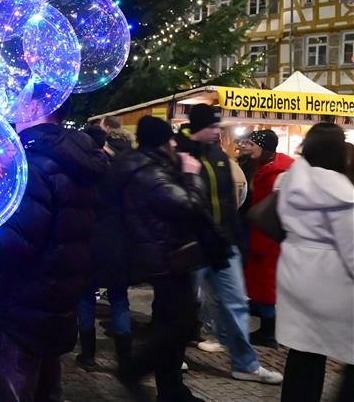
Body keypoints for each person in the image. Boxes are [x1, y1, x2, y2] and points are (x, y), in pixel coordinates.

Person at [0, 94, 109, 400]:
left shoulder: (31, 165)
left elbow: (9, 247)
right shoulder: (79, 160)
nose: (12, 106)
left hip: (20, 307)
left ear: (36, 107)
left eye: (20, 99)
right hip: (57, 303)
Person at [115, 116, 220, 402]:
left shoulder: (142, 164)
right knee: (181, 325)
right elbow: (188, 206)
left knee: (169, 324)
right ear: (163, 142)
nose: (175, 143)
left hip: (166, 255)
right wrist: (191, 175)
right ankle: (134, 370)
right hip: (165, 258)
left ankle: (172, 390)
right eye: (171, 139)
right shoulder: (149, 172)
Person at [176, 104, 283, 385]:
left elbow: (227, 202)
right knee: (183, 305)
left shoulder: (217, 155)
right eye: (211, 127)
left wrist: (236, 239)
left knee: (236, 303)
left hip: (223, 244)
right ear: (198, 127)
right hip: (193, 244)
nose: (216, 132)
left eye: (217, 127)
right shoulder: (180, 153)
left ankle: (245, 364)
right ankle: (171, 358)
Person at [275, 123, 354, 402]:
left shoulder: (293, 180)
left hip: (295, 272)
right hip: (330, 281)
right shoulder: (340, 194)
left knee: (304, 352)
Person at [77, 124, 132, 372]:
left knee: (86, 297)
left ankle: (88, 355)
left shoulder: (92, 169)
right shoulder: (127, 171)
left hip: (91, 239)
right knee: (119, 299)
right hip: (119, 241)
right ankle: (125, 358)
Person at [239, 130, 293, 348]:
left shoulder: (277, 174)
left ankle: (269, 333)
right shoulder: (264, 169)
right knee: (263, 287)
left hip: (269, 239)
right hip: (262, 235)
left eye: (251, 143)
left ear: (265, 148)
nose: (245, 146)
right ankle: (267, 329)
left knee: (268, 288)